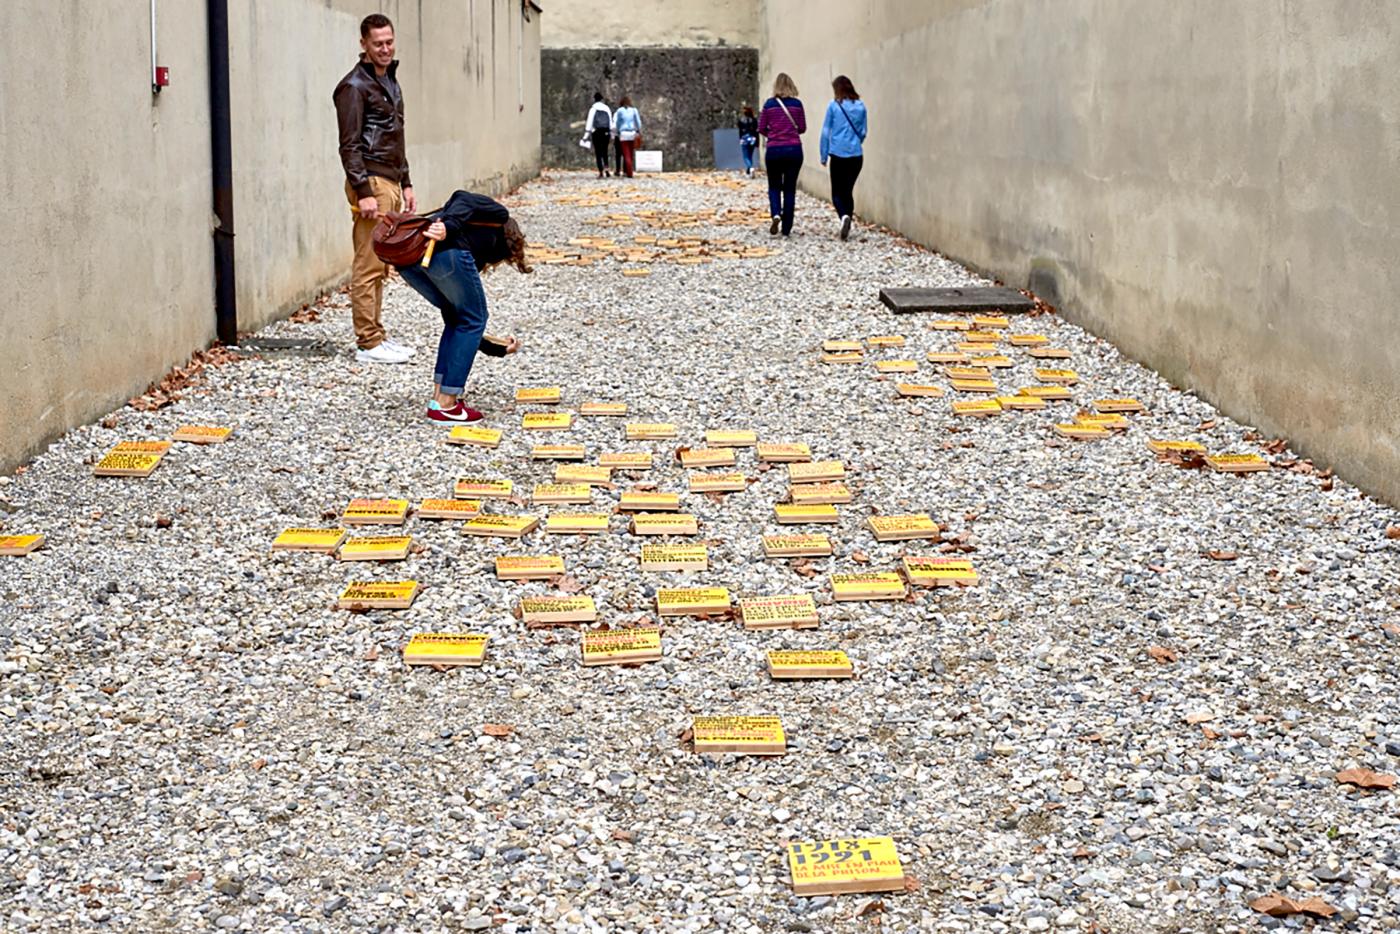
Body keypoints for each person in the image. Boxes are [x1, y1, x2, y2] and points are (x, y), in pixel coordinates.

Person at [394, 191, 530, 423]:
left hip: (408, 261)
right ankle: (447, 404)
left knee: (459, 318)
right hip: (430, 252)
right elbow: (462, 197)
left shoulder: (471, 247)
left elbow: (461, 321)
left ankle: (439, 399)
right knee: (475, 318)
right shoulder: (499, 215)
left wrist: (496, 349)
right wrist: (448, 226)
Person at [334, 13, 417, 364]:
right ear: (363, 45)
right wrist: (364, 190)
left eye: (389, 42)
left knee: (382, 262)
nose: (385, 48)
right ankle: (368, 343)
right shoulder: (354, 87)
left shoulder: (389, 81)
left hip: (390, 180)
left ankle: (377, 336)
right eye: (377, 43)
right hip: (372, 182)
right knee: (368, 263)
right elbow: (349, 144)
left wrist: (407, 182)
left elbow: (395, 137)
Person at [757, 74, 806, 237]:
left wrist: (773, 133)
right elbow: (802, 128)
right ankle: (787, 228)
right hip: (794, 150)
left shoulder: (769, 105)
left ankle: (776, 213)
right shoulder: (797, 105)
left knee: (774, 185)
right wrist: (790, 132)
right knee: (790, 189)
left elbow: (761, 127)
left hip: (774, 150)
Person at [820, 75, 868, 241]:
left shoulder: (834, 106)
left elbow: (826, 131)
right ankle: (848, 215)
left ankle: (843, 217)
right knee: (848, 191)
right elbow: (863, 132)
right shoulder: (861, 106)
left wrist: (823, 153)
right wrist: (855, 142)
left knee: (836, 192)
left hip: (838, 154)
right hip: (856, 155)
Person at [613, 96, 643, 178]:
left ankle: (629, 172)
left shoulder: (620, 111)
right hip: (632, 132)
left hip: (623, 133)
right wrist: (639, 131)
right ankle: (629, 171)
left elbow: (618, 122)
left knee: (626, 154)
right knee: (631, 152)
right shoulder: (634, 110)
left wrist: (618, 131)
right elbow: (638, 122)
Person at [585, 92, 613, 178]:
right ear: (602, 99)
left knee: (598, 152)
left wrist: (586, 135)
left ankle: (601, 171)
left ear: (594, 99)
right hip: (606, 132)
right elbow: (610, 122)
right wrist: (611, 133)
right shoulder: (607, 108)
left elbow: (589, 123)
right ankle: (607, 169)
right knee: (605, 151)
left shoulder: (593, 109)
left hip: (596, 132)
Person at [737, 106, 759, 177]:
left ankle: (750, 167)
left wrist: (740, 139)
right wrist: (757, 141)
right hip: (752, 138)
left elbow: (740, 131)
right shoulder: (754, 120)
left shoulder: (741, 120)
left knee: (745, 156)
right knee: (750, 155)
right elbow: (756, 131)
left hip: (744, 138)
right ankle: (749, 171)